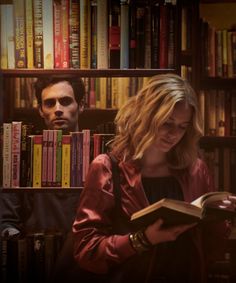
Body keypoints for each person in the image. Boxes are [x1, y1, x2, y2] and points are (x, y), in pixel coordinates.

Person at [72, 73, 231, 283]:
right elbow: (86, 250)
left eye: (183, 126)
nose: (174, 134)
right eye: (167, 123)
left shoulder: (196, 169)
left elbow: (211, 245)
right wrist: (142, 239)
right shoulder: (107, 168)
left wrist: (222, 217)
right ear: (145, 116)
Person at [1, 75, 85, 237]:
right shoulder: (21, 157)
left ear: (81, 105)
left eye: (66, 101)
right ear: (40, 110)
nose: (58, 109)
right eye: (49, 103)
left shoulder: (98, 154)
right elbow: (6, 221)